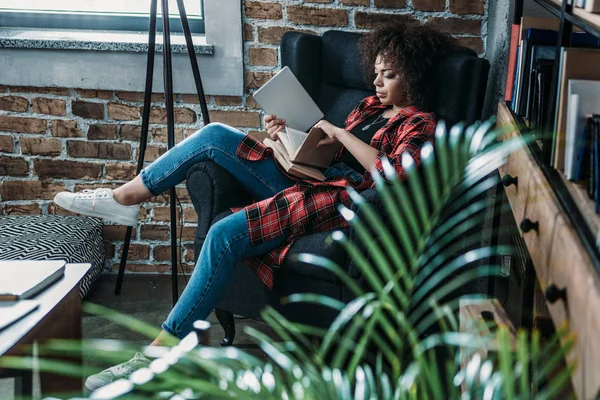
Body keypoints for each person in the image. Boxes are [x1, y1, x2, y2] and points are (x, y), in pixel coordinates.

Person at [53, 20, 458, 392]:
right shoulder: (369, 107)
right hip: (309, 177)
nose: (377, 82)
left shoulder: (421, 123)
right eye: (375, 72)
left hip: (340, 200)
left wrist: (337, 132)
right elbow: (325, 154)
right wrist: (286, 137)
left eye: (389, 74)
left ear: (415, 76)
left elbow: (394, 175)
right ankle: (124, 200)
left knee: (224, 233)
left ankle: (160, 353)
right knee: (214, 134)